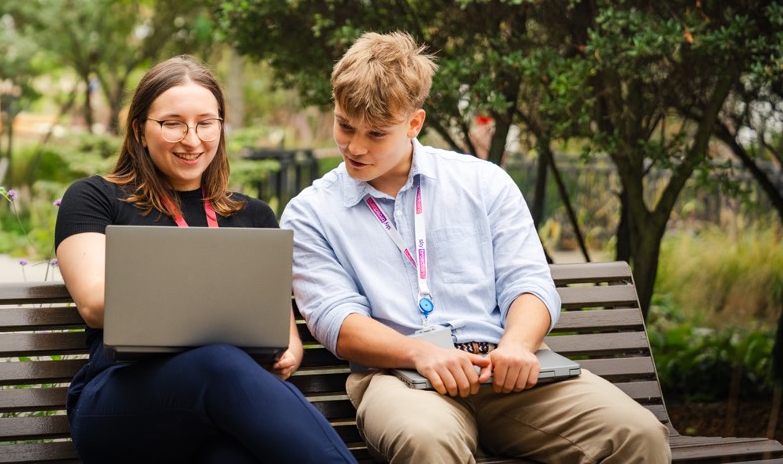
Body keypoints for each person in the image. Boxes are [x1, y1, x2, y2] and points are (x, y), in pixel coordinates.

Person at [282, 32, 671, 464]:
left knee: (639, 436)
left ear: (414, 124)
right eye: (344, 125)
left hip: (505, 371)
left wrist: (519, 347)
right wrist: (422, 352)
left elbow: (528, 283)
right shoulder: (310, 213)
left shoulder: (483, 183)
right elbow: (337, 319)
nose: (354, 147)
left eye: (376, 133)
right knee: (427, 440)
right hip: (401, 378)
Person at [55, 55, 357, 464]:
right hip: (121, 402)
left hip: (221, 406)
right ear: (139, 130)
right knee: (219, 361)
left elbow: (282, 331)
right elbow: (94, 303)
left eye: (206, 123)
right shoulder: (94, 197)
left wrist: (289, 353)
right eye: (173, 123)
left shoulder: (253, 215)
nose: (192, 139)